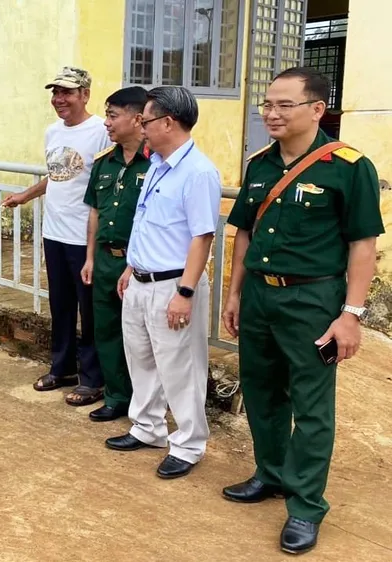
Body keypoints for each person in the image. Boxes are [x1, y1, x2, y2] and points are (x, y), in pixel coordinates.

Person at [221, 67, 383, 555]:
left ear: (316, 109)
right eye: (267, 104)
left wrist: (351, 314)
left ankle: (306, 506)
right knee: (262, 389)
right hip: (261, 298)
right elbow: (244, 232)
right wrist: (234, 293)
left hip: (313, 300)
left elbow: (362, 245)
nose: (271, 113)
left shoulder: (349, 167)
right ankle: (269, 475)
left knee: (312, 406)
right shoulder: (261, 164)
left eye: (283, 105)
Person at [104, 86, 221, 482]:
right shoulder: (157, 163)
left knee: (181, 368)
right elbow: (146, 221)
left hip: (173, 285)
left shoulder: (199, 172)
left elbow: (201, 237)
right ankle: (148, 427)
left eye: (146, 120)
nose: (142, 127)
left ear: (167, 122)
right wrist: (130, 267)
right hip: (139, 280)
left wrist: (185, 293)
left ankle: (188, 445)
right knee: (141, 359)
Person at [2, 66, 112, 407]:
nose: (58, 99)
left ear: (84, 95)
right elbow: (59, 174)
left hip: (85, 238)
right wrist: (27, 195)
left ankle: (93, 378)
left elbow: (106, 183)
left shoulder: (100, 132)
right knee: (61, 306)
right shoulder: (52, 132)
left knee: (89, 309)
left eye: (66, 92)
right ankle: (62, 368)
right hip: (55, 233)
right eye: (55, 93)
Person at [80, 86, 150, 422]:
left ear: (138, 119)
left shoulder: (156, 164)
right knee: (105, 331)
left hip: (138, 263)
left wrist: (134, 263)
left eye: (112, 115)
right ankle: (116, 396)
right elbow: (94, 211)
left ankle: (145, 403)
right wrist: (90, 257)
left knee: (140, 338)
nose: (106, 122)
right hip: (106, 259)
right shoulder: (103, 163)